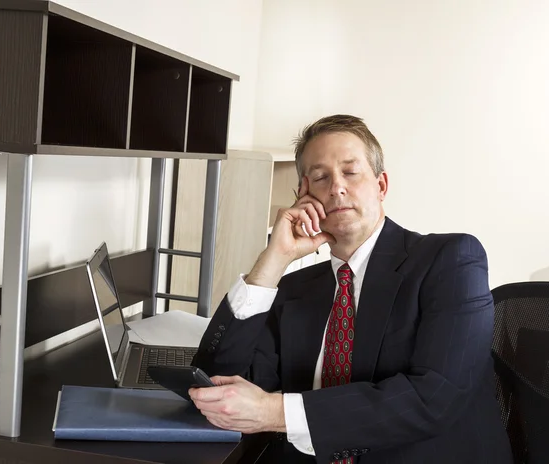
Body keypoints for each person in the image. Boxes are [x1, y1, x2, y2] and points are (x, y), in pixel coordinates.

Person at [189, 114, 513, 463]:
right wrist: (272, 262)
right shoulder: (294, 288)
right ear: (303, 193)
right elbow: (216, 383)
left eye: (351, 171)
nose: (336, 187)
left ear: (381, 185)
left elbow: (434, 399)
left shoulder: (450, 261)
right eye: (320, 177)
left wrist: (274, 412)